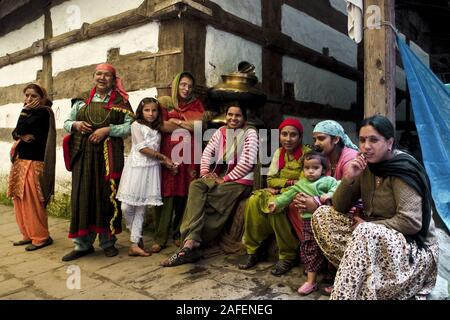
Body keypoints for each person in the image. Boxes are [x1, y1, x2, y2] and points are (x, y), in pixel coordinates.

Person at [312, 115, 439, 300]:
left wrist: (370, 226)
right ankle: (358, 279)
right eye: (362, 140)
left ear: (389, 142)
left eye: (374, 140)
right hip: (374, 238)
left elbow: (411, 222)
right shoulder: (365, 165)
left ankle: (346, 293)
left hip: (413, 248)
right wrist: (349, 178)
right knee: (323, 215)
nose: (366, 146)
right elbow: (339, 207)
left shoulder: (402, 169)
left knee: (365, 231)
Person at [161, 102, 258, 267]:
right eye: (230, 114)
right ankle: (192, 243)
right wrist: (205, 173)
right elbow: (207, 153)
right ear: (226, 116)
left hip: (240, 181)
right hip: (222, 177)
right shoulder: (220, 132)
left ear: (244, 118)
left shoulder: (250, 133)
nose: (233, 118)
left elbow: (247, 163)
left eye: (238, 115)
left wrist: (224, 179)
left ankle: (189, 244)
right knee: (196, 186)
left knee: (209, 199)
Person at [62, 63, 134, 261]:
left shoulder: (121, 101)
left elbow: (129, 127)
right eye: (99, 74)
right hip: (84, 155)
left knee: (106, 196)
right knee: (83, 196)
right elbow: (66, 124)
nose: (102, 78)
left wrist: (108, 130)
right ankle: (82, 245)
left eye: (107, 75)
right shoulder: (82, 100)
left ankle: (107, 242)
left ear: (113, 79)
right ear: (93, 76)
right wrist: (76, 124)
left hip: (108, 156)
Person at [287, 120, 358, 292]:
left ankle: (339, 271)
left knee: (318, 213)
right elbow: (315, 184)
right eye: (315, 139)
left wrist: (317, 201)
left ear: (335, 140)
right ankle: (321, 260)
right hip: (330, 204)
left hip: (352, 208)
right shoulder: (324, 158)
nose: (316, 143)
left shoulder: (349, 158)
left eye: (321, 138)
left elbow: (348, 193)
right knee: (295, 206)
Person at [239, 118, 311, 276]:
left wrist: (282, 187)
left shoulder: (307, 154)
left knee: (274, 204)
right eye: (284, 134)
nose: (288, 139)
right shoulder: (279, 153)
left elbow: (303, 182)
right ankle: (253, 250)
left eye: (293, 135)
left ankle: (287, 255)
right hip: (281, 190)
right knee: (253, 200)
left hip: (296, 193)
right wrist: (288, 182)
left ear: (300, 137)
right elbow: (270, 179)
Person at [268, 151, 339, 295]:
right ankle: (311, 282)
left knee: (330, 248)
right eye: (307, 168)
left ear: (324, 169)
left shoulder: (327, 181)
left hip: (327, 222)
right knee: (309, 248)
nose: (310, 171)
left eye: (315, 168)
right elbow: (287, 195)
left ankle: (334, 277)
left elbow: (338, 186)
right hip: (308, 223)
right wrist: (276, 203)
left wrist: (328, 195)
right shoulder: (300, 184)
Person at [152, 71, 205, 253]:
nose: (186, 89)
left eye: (189, 86)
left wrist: (178, 121)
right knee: (167, 193)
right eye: (183, 84)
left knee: (185, 194)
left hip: (190, 155)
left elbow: (200, 127)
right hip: (169, 153)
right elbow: (160, 124)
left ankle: (178, 233)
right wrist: (186, 123)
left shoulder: (196, 104)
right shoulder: (165, 102)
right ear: (176, 85)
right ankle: (160, 236)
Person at [116, 98, 176, 257]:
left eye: (154, 110)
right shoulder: (136, 125)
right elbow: (142, 147)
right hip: (135, 168)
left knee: (141, 206)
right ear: (141, 111)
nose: (151, 114)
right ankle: (136, 236)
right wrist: (163, 158)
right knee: (126, 207)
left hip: (151, 169)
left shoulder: (158, 127)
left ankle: (134, 244)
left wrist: (183, 123)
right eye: (147, 110)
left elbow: (176, 127)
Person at [7, 83, 56, 251]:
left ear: (42, 98)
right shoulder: (31, 113)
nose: (28, 99)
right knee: (19, 200)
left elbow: (20, 128)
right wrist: (20, 134)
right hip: (21, 162)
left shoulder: (43, 112)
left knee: (32, 202)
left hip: (34, 163)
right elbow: (15, 133)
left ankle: (41, 237)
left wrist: (23, 114)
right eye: (26, 95)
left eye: (33, 96)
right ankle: (28, 234)